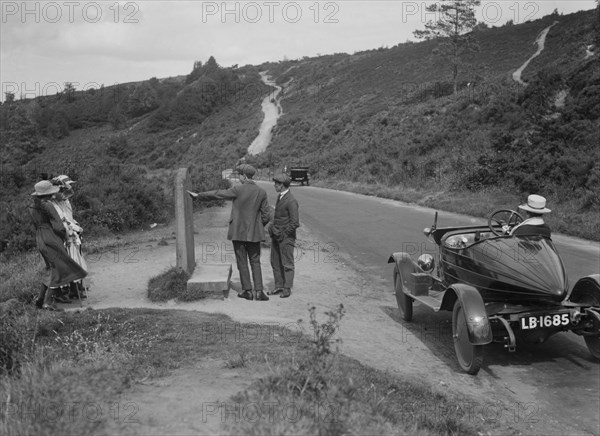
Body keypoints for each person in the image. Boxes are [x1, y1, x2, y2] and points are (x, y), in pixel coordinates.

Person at [187, 164, 272, 301]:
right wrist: (257, 227)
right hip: (254, 234)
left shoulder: (237, 190)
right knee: (255, 262)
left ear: (244, 176)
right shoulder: (261, 192)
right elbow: (267, 215)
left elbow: (218, 194)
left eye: (239, 175)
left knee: (242, 261)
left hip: (238, 232)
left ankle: (247, 291)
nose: (238, 178)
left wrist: (199, 196)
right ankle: (259, 292)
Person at [30, 180, 87, 310]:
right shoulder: (48, 205)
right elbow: (59, 226)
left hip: (39, 237)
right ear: (48, 194)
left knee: (50, 267)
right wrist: (65, 236)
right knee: (59, 268)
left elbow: (35, 225)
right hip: (51, 237)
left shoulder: (32, 206)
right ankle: (48, 302)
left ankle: (40, 299)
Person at [50, 175, 88, 300]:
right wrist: (75, 228)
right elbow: (63, 220)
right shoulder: (54, 204)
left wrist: (76, 225)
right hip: (65, 233)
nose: (66, 191)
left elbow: (69, 217)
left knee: (75, 258)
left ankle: (74, 286)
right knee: (71, 260)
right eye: (62, 189)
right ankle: (72, 287)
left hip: (70, 230)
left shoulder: (64, 200)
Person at [267, 173, 299, 299]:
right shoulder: (280, 197)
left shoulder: (291, 200)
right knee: (275, 261)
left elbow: (295, 222)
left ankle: (287, 288)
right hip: (277, 236)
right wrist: (273, 229)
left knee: (287, 263)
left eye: (277, 183)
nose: (274, 185)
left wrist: (284, 234)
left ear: (282, 185)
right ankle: (279, 286)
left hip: (286, 238)